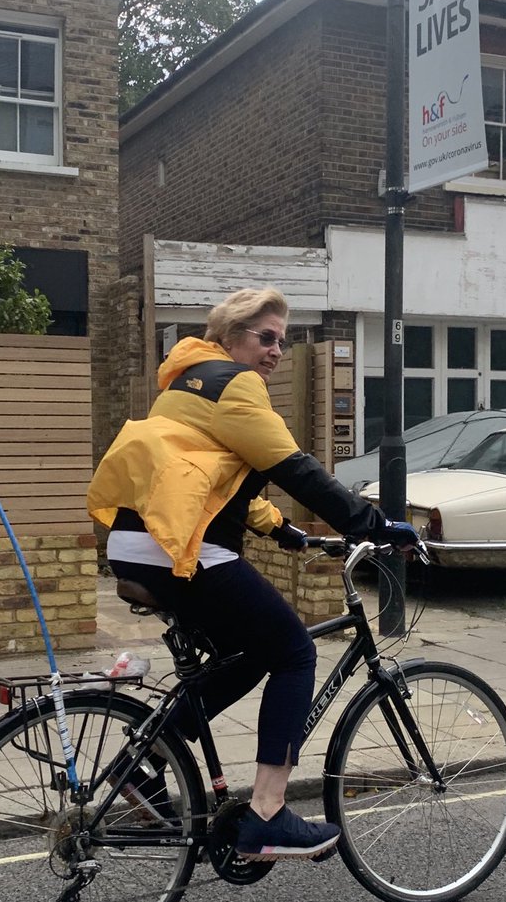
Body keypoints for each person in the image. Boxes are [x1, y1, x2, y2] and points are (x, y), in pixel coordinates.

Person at [87, 287, 419, 861]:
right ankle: (267, 813)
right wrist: (375, 525)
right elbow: (295, 469)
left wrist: (282, 530)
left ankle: (139, 766)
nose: (275, 351)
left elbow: (210, 475)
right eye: (265, 337)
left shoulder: (188, 381)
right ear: (229, 336)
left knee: (247, 653)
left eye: (282, 341)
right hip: (182, 549)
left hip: (137, 542)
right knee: (294, 652)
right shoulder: (236, 385)